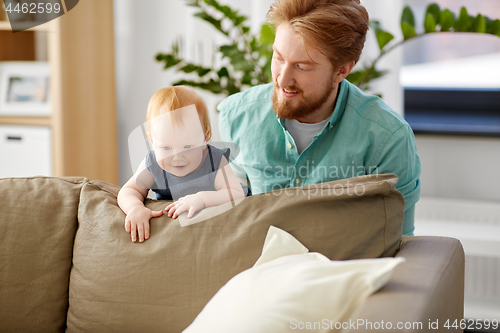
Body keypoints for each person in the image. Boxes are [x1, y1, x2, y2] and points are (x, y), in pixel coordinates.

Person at [218, 0, 421, 236]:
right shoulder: (237, 116)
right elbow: (232, 216)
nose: (283, 80)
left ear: (342, 70)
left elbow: (399, 243)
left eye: (302, 67)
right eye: (279, 58)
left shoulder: (387, 138)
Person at [118, 86, 248, 243]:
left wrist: (202, 199)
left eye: (188, 147)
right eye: (167, 148)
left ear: (205, 137)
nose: (177, 157)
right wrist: (134, 208)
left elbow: (236, 193)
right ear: (151, 141)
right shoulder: (152, 164)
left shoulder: (215, 160)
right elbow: (129, 190)